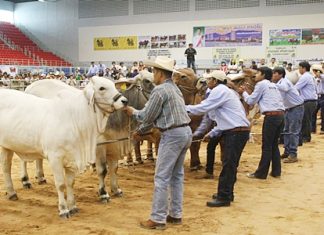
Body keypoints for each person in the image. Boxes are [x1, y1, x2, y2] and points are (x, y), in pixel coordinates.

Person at [124, 56, 192, 230]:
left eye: (154, 71)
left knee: (161, 177)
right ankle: (175, 214)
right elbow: (153, 117)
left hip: (172, 135)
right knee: (176, 176)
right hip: (185, 132)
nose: (153, 74)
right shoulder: (174, 88)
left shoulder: (159, 90)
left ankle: (158, 218)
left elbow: (147, 116)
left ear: (160, 73)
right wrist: (142, 129)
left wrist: (133, 114)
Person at [186, 70, 250, 207]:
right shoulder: (225, 91)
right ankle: (227, 193)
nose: (207, 82)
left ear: (215, 81)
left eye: (209, 80)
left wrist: (181, 108)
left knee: (228, 165)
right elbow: (221, 118)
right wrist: (212, 133)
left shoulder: (219, 90)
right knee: (230, 165)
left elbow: (203, 108)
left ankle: (223, 197)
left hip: (235, 132)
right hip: (235, 131)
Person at [241, 67, 285, 179]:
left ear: (263, 75)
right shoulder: (273, 85)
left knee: (266, 146)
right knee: (274, 144)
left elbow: (251, 101)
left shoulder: (261, 84)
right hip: (280, 116)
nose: (256, 76)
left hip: (271, 117)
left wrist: (243, 93)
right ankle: (276, 171)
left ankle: (261, 173)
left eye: (258, 73)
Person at [272, 67, 304, 163]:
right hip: (288, 109)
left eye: (275, 73)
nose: (273, 75)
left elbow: (285, 89)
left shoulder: (284, 82)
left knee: (293, 131)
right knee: (286, 131)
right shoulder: (278, 83)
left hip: (296, 108)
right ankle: (287, 151)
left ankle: (293, 154)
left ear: (281, 74)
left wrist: (272, 84)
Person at [295, 61, 317, 143]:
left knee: (305, 120)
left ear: (303, 68)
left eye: (299, 68)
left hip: (308, 101)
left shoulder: (305, 77)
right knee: (306, 119)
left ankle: (306, 137)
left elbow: (296, 87)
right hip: (311, 101)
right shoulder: (309, 76)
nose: (299, 69)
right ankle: (305, 136)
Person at [311, 64, 324, 134]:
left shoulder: (322, 77)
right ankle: (313, 129)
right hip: (317, 97)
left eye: (314, 71)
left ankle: (323, 129)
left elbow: (320, 76)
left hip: (323, 96)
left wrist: (319, 72)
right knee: (313, 112)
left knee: (323, 114)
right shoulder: (315, 78)